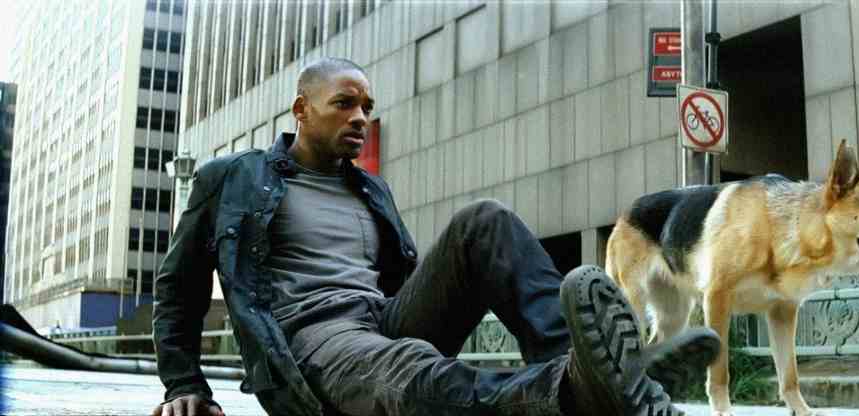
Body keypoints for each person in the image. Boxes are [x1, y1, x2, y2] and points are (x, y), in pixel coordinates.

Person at [150, 57, 720, 416]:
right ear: (302, 109)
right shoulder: (234, 179)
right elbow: (179, 287)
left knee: (484, 220)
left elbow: (409, 283)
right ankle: (576, 394)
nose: (359, 118)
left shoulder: (371, 191)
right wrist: (183, 384)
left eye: (367, 108)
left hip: (380, 319)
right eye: (343, 104)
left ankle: (585, 366)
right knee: (406, 366)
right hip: (308, 343)